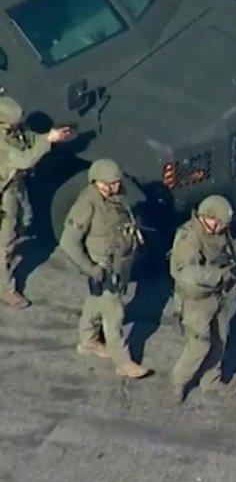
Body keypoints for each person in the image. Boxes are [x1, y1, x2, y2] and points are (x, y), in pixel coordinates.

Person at [60, 158, 150, 379]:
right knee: (114, 314)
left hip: (121, 264)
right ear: (97, 181)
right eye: (110, 183)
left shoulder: (115, 196)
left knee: (95, 302)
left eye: (117, 182)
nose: (116, 187)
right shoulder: (87, 204)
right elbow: (68, 241)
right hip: (103, 268)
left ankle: (88, 340)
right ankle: (123, 361)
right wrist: (90, 268)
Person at [169, 195, 236, 401]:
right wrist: (221, 276)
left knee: (220, 339)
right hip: (195, 300)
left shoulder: (220, 231)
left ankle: (211, 380)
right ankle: (179, 382)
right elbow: (187, 274)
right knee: (199, 344)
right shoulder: (188, 238)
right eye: (219, 223)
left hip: (217, 296)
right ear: (208, 217)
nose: (222, 228)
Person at [0, 96, 72, 308]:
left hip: (17, 187)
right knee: (6, 240)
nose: (19, 126)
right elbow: (24, 159)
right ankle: (5, 288)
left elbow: (28, 138)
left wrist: (50, 136)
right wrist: (47, 140)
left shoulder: (14, 131)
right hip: (5, 193)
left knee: (26, 220)